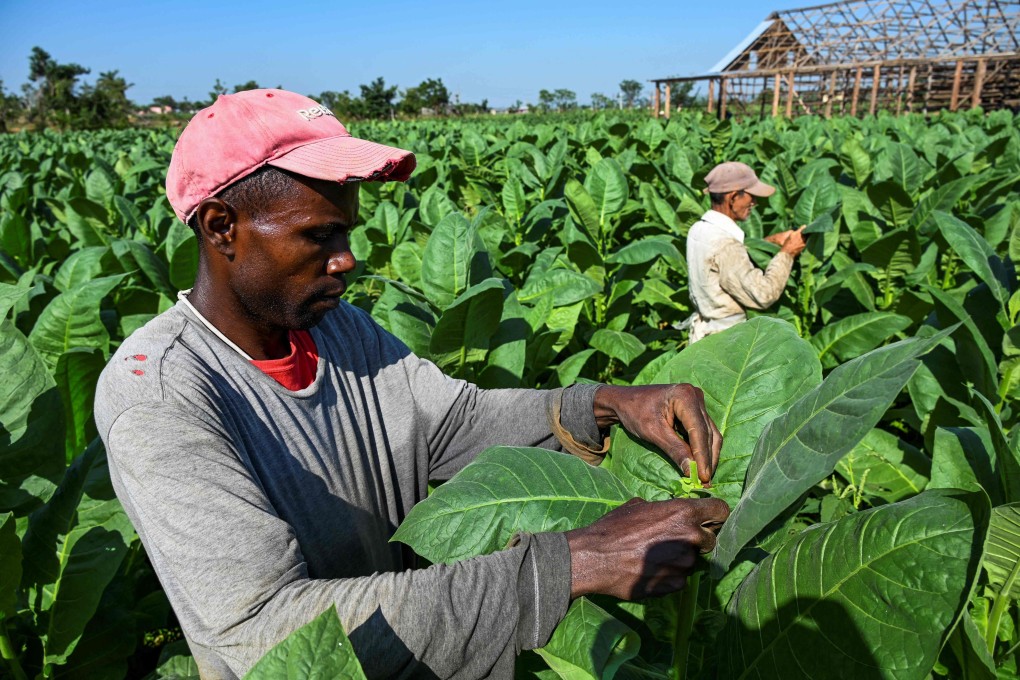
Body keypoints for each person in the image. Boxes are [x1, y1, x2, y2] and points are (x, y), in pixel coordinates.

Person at [94, 89, 730, 679]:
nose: (346, 259)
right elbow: (266, 631)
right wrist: (568, 564)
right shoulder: (161, 393)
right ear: (220, 226)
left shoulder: (338, 329)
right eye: (318, 235)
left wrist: (601, 404)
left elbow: (455, 422)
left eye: (345, 230)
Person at [683, 161, 807, 343]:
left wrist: (771, 242)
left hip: (704, 335)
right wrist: (788, 253)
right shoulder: (726, 245)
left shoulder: (699, 229)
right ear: (733, 198)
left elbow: (724, 263)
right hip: (727, 343)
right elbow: (763, 295)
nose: (754, 202)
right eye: (751, 196)